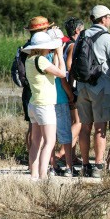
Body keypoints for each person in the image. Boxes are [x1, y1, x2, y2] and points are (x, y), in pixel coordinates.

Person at [75, 5, 110, 178]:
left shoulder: (82, 35)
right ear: (103, 19)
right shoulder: (107, 37)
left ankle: (84, 164)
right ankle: (97, 165)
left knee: (84, 128)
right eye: (109, 17)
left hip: (82, 85)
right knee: (100, 127)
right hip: (101, 85)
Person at [22, 32, 67, 180]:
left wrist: (54, 56)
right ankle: (43, 175)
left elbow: (50, 72)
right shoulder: (41, 60)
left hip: (34, 104)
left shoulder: (30, 60)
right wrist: (60, 55)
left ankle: (34, 175)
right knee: (49, 142)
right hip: (45, 105)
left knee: (36, 142)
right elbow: (61, 73)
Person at [21, 16, 56, 154]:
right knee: (45, 137)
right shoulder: (42, 50)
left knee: (33, 129)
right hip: (41, 93)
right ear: (43, 30)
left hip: (29, 90)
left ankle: (32, 163)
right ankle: (42, 165)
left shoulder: (25, 48)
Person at [46, 28, 75, 177]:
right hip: (61, 99)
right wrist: (71, 95)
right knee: (65, 135)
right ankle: (69, 166)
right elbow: (62, 79)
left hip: (47, 100)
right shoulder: (56, 58)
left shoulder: (42, 57)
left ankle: (52, 165)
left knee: (50, 136)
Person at [61, 16, 85, 169]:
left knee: (72, 121)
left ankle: (73, 156)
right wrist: (71, 91)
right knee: (78, 122)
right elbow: (69, 68)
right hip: (72, 86)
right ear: (77, 30)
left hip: (65, 86)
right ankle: (63, 152)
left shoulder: (63, 44)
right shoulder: (72, 46)